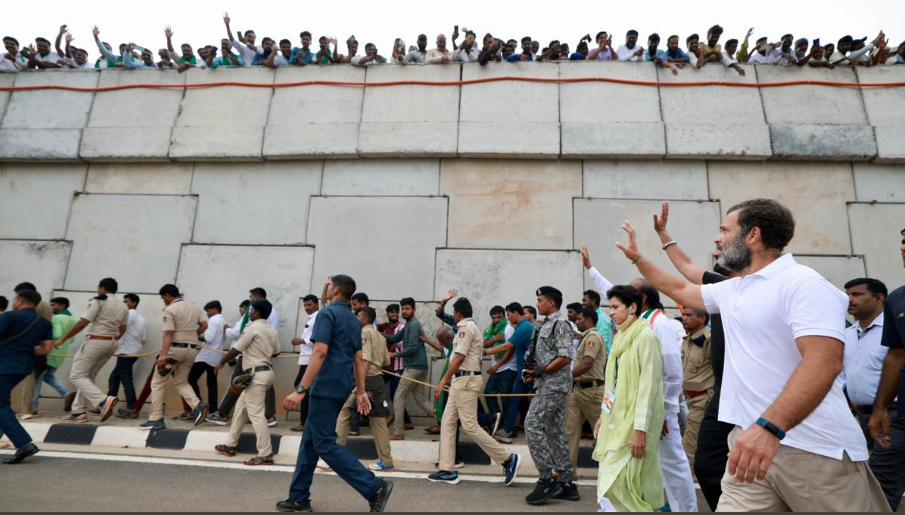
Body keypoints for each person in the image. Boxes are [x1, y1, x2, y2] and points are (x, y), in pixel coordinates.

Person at [617, 198, 889, 511]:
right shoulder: (733, 289)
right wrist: (637, 258)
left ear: (753, 235)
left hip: (814, 450)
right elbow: (678, 287)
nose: (717, 239)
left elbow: (824, 361)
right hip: (747, 449)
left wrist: (769, 427)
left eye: (724, 230)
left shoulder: (804, 284)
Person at [279, 275, 393, 513]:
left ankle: (374, 487)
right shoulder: (354, 321)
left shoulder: (327, 314)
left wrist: (301, 389)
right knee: (310, 442)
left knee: (324, 444)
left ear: (337, 289)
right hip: (340, 387)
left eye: (330, 286)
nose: (328, 289)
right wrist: (360, 392)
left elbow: (319, 352)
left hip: (324, 387)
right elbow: (358, 358)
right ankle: (298, 497)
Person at [428, 297, 521, 486]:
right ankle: (447, 469)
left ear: (458, 314)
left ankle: (508, 458)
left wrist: (442, 381)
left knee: (470, 425)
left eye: (453, 313)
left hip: (466, 381)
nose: (453, 317)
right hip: (461, 380)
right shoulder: (473, 328)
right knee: (447, 422)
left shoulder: (465, 328)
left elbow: (459, 357)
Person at [594, 285, 665, 512]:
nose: (611, 313)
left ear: (632, 307)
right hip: (616, 421)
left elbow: (648, 387)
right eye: (610, 308)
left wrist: (640, 430)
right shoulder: (621, 337)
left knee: (630, 483)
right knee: (613, 481)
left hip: (637, 424)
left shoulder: (646, 338)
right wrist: (603, 416)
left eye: (615, 307)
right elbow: (612, 385)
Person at [523, 286, 577, 505]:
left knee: (532, 424)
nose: (537, 304)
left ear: (551, 303)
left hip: (553, 385)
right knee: (555, 431)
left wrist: (542, 371)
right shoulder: (543, 325)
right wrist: (535, 372)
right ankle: (566, 483)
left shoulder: (560, 325)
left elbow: (565, 356)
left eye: (540, 300)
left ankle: (547, 478)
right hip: (545, 383)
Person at [866, 227, 905, 511]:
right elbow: (895, 355)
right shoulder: (897, 298)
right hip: (901, 416)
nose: (904, 249)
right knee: (877, 489)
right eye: (903, 242)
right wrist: (880, 409)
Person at [214, 299, 280, 466]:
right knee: (240, 409)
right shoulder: (271, 330)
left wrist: (221, 362)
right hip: (266, 372)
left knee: (256, 414)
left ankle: (265, 453)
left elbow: (237, 348)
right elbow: (276, 352)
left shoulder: (252, 328)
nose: (248, 313)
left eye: (250, 311)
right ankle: (230, 445)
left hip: (255, 374)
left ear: (256, 313)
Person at [56, 278, 127, 424]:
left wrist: (63, 339)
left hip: (96, 341)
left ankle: (102, 401)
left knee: (76, 375)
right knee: (88, 376)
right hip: (112, 342)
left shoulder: (98, 301)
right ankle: (79, 411)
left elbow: (83, 322)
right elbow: (123, 328)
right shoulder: (123, 306)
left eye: (98, 288)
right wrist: (112, 339)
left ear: (102, 288)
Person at [139, 284, 209, 431]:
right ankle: (197, 404)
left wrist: (163, 355)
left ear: (168, 295)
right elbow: (204, 325)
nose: (163, 300)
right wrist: (192, 337)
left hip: (174, 351)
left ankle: (155, 418)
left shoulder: (169, 310)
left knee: (157, 383)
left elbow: (168, 333)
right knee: (182, 382)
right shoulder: (194, 307)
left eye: (163, 297)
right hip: (191, 351)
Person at [334, 307, 395, 473]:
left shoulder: (364, 334)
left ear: (366, 319)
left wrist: (360, 387)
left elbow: (365, 359)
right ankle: (386, 461)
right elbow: (385, 361)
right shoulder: (380, 337)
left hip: (367, 380)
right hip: (378, 380)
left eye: (358, 316)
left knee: (345, 413)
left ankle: (332, 457)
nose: (356, 319)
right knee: (378, 420)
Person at [0, 290, 54, 464]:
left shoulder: (9, 317)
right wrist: (22, 350)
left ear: (20, 300)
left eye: (15, 299)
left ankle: (24, 443)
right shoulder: (44, 323)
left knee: (0, 405)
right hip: (23, 367)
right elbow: (45, 349)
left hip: (3, 365)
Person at [567, 307, 607, 482]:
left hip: (592, 392)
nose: (576, 322)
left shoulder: (592, 337)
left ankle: (612, 472)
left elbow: (587, 363)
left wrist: (567, 377)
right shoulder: (585, 337)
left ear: (589, 321)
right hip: (579, 390)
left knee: (603, 433)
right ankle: (568, 470)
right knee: (570, 430)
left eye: (579, 319)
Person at [383, 297, 431, 439]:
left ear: (414, 309)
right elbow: (394, 339)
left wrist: (394, 355)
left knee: (398, 397)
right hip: (420, 366)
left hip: (414, 367)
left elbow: (413, 348)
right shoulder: (408, 325)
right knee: (421, 400)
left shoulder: (414, 325)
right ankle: (445, 420)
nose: (404, 311)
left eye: (407, 308)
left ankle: (398, 433)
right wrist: (377, 333)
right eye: (402, 308)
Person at [27, 297, 74, 417]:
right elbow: (71, 338)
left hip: (49, 353)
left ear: (62, 306)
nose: (50, 307)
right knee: (48, 376)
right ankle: (66, 393)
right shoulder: (72, 318)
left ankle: (33, 406)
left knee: (36, 379)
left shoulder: (56, 318)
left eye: (53, 305)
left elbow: (56, 334)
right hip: (61, 353)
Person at [680, 307, 713, 472]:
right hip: (688, 399)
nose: (684, 317)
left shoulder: (709, 340)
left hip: (703, 400)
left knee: (687, 450)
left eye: (688, 315)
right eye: (683, 314)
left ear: (702, 319)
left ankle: (682, 495)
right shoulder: (687, 340)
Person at [106, 294, 146, 417]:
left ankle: (132, 408)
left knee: (126, 380)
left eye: (126, 301)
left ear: (133, 303)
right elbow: (144, 338)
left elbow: (120, 328)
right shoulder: (141, 318)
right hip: (133, 351)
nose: (123, 303)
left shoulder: (130, 314)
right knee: (114, 378)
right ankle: (106, 406)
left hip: (126, 352)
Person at [189, 300, 226, 413]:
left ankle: (199, 405)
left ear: (215, 309)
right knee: (212, 384)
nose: (207, 314)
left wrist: (199, 336)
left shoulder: (213, 320)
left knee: (190, 380)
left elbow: (208, 338)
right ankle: (213, 410)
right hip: (216, 357)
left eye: (208, 311)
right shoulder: (223, 320)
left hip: (205, 356)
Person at [290, 295, 319, 432]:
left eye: (309, 305)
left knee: (302, 388)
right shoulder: (312, 318)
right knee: (302, 388)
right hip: (305, 359)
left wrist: (301, 341)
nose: (307, 308)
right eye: (305, 305)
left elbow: (317, 338)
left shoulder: (319, 317)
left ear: (316, 305)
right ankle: (306, 421)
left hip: (310, 360)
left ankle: (305, 422)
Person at [580, 288, 614, 355]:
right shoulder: (593, 317)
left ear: (593, 301)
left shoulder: (601, 318)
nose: (582, 303)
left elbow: (602, 341)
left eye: (584, 300)